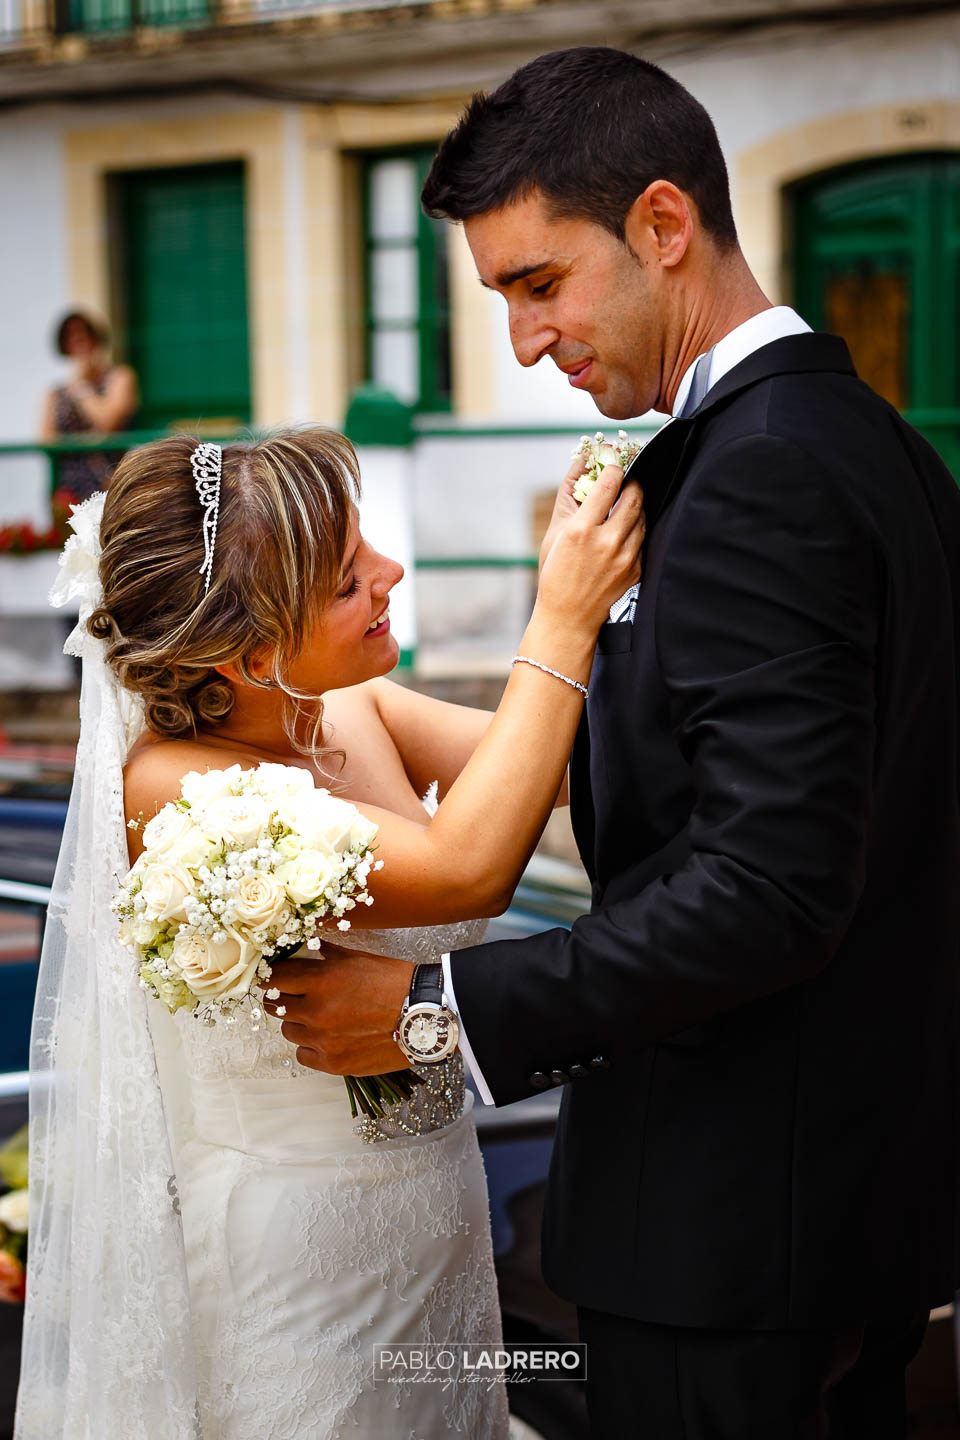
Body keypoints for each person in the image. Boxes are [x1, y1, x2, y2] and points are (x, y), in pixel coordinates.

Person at [269, 47, 960, 1439]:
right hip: (828, 1213)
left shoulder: (760, 471)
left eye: (540, 284)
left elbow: (770, 882)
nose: (526, 342)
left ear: (662, 223)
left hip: (735, 1244)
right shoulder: (865, 442)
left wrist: (440, 1020)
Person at [15, 427, 644, 1438]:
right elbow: (468, 866)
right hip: (300, 1264)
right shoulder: (178, 790)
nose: (393, 575)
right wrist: (558, 616)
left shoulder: (346, 703)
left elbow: (562, 769)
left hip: (437, 1216)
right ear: (254, 651)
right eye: (351, 581)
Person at [39, 309, 138, 499]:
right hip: (68, 489)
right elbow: (46, 440)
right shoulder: (56, 393)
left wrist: (82, 387)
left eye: (84, 333)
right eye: (70, 336)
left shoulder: (119, 378)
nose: (78, 340)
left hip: (108, 483)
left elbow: (108, 422)